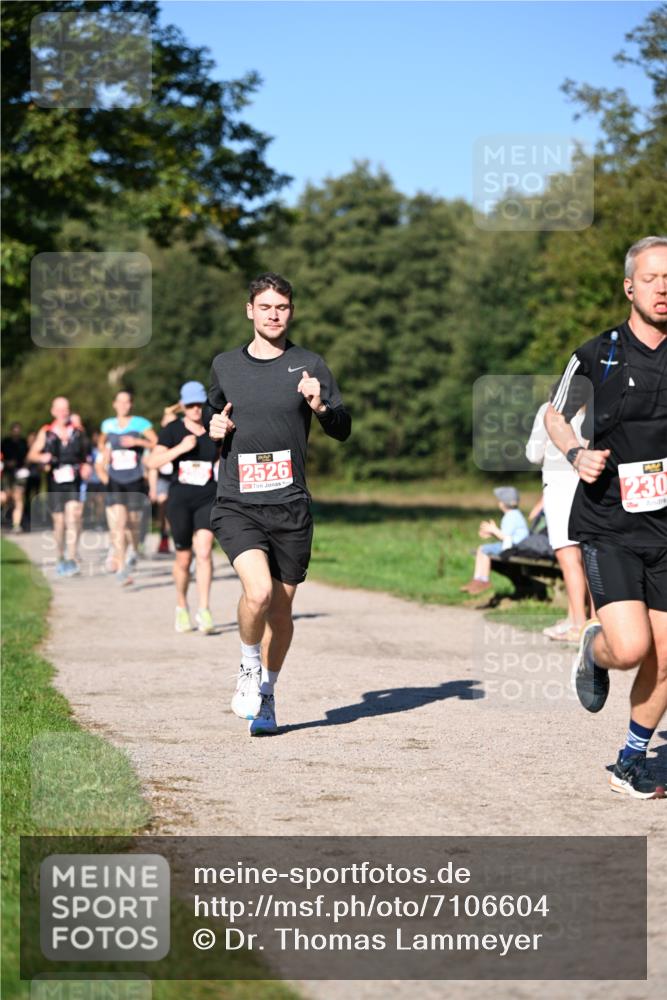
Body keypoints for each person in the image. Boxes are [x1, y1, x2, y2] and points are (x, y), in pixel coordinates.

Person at [545, 235, 667, 800]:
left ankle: (630, 761)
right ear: (629, 287)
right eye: (651, 278)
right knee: (631, 649)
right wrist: (576, 453)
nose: (663, 288)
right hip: (609, 524)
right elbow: (554, 414)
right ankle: (596, 648)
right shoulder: (599, 353)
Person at [208, 272, 351, 735]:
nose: (274, 315)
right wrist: (214, 429)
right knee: (259, 593)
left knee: (281, 612)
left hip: (289, 505)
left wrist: (320, 407)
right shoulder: (225, 366)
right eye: (266, 306)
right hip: (238, 501)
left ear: (291, 312)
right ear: (250, 310)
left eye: (282, 307)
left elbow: (343, 428)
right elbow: (214, 414)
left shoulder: (309, 365)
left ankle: (267, 692)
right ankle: (248, 666)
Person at [146, 383, 218, 633]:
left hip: (208, 496)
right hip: (180, 500)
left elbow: (223, 458)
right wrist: (181, 448)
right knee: (184, 558)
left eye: (199, 404)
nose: (195, 409)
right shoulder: (172, 430)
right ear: (183, 406)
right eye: (190, 405)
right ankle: (181, 606)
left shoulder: (213, 428)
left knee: (205, 552)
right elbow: (152, 462)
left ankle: (205, 610)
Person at [526, 398, 589, 642]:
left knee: (569, 558)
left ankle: (578, 625)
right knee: (589, 558)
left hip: (560, 488)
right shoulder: (596, 406)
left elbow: (533, 454)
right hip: (590, 488)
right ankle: (585, 620)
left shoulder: (549, 409)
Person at [96, 390, 157, 585]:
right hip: (115, 480)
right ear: (114, 404)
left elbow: (156, 442)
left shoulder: (141, 423)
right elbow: (101, 443)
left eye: (127, 402)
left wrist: (137, 441)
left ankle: (133, 550)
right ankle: (121, 568)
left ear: (131, 404)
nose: (123, 405)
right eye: (120, 402)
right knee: (120, 524)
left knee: (134, 523)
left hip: (135, 479)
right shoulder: (108, 424)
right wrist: (104, 453)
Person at [27, 397, 91, 576]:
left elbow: (87, 455)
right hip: (55, 480)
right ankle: (60, 556)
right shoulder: (47, 432)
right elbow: (31, 455)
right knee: (59, 521)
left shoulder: (77, 431)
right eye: (60, 410)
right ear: (53, 411)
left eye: (66, 409)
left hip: (73, 479)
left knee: (73, 516)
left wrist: (87, 466)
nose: (63, 413)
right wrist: (42, 457)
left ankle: (72, 558)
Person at [461, 486, 529, 595]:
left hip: (514, 547)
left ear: (502, 504)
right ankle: (478, 579)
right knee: (482, 549)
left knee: (484, 550)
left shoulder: (511, 516)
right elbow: (506, 537)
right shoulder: (515, 514)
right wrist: (492, 532)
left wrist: (493, 530)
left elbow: (505, 537)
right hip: (514, 545)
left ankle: (483, 579)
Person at [1, 422, 29, 532]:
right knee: (5, 497)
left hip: (20, 473)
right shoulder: (5, 442)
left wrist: (25, 466)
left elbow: (27, 456)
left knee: (18, 497)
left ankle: (16, 524)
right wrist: (7, 463)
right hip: (8, 473)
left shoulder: (23, 442)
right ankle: (6, 514)